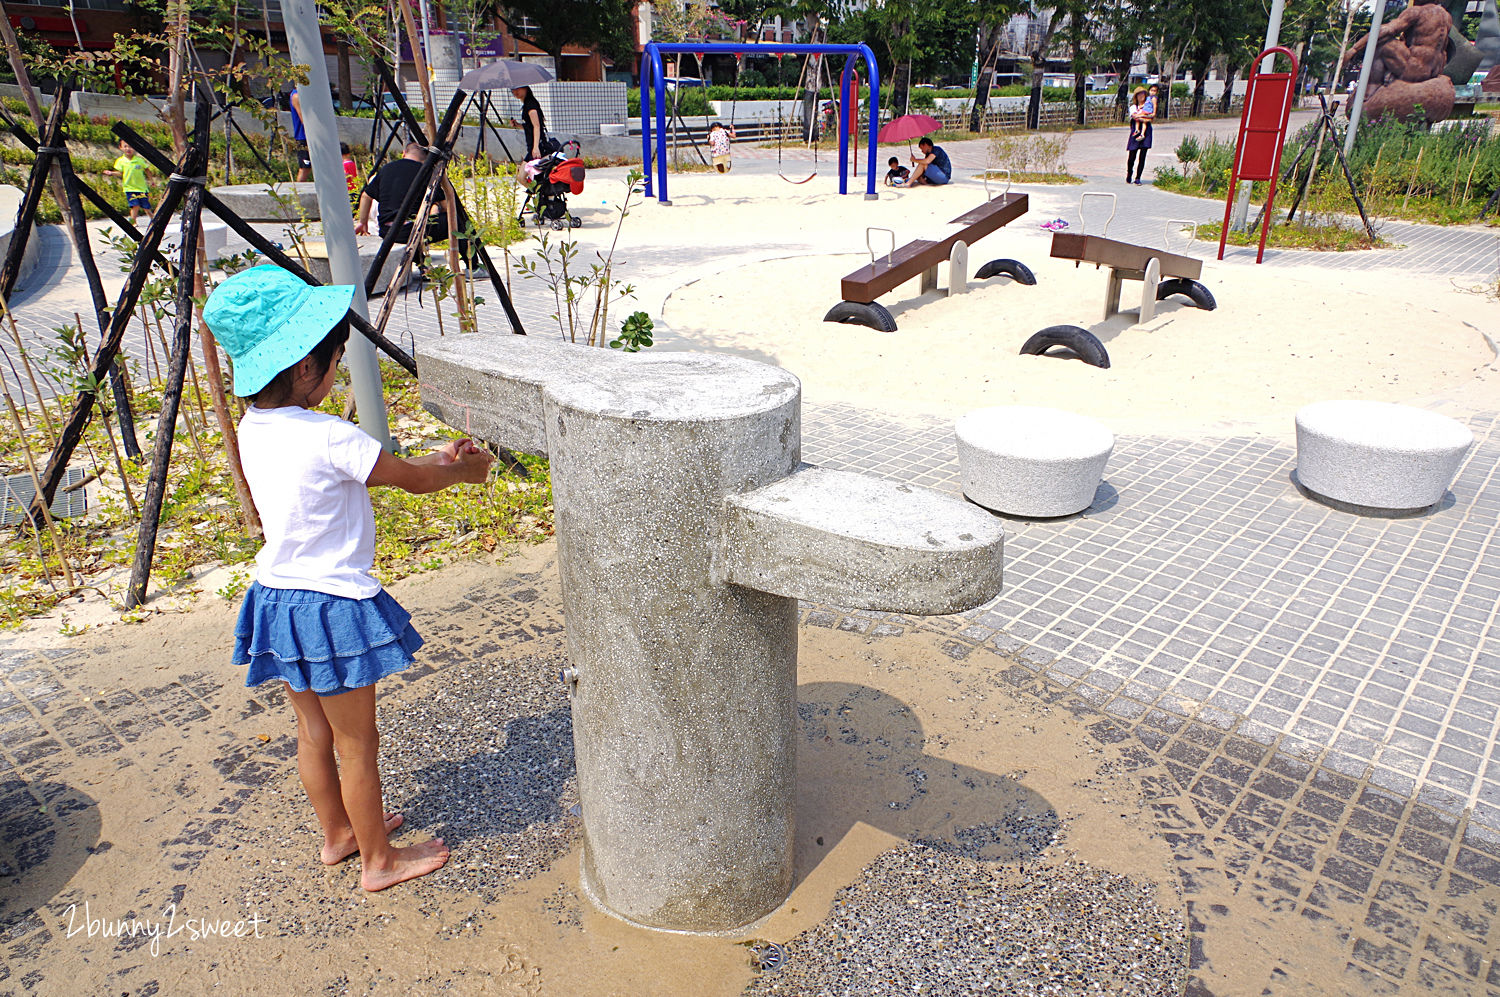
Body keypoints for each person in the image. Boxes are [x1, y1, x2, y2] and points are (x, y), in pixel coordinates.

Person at [202, 264, 493, 892]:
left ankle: (338, 834)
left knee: (312, 730)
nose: (337, 370)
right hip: (330, 605)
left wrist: (435, 462)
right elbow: (411, 478)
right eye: (335, 358)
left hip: (276, 598)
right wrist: (458, 469)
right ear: (308, 368)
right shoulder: (330, 435)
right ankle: (378, 861)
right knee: (358, 744)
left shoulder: (254, 427)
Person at [354, 143, 471, 261]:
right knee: (458, 221)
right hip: (413, 229)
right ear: (425, 158)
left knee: (415, 223)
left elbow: (365, 196)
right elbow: (448, 206)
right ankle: (474, 265)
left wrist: (362, 222)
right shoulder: (426, 172)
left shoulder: (386, 168)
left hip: (387, 230)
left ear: (404, 153)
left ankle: (422, 265)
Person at [105, 138, 152, 222]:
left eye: (130, 146)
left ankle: (154, 220)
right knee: (135, 205)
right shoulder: (120, 161)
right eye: (125, 146)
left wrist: (151, 181)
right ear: (121, 147)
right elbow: (120, 173)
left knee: (146, 206)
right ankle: (133, 222)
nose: (128, 149)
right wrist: (111, 173)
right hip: (129, 188)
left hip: (142, 188)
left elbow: (147, 170)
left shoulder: (139, 160)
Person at [512, 85, 548, 162]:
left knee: (528, 172)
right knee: (524, 173)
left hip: (537, 147)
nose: (515, 92)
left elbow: (537, 126)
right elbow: (530, 127)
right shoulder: (527, 104)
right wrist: (518, 125)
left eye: (517, 88)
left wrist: (536, 147)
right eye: (513, 90)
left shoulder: (530, 105)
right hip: (533, 147)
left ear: (525, 88)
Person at [1126, 87, 1154, 185]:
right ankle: (1129, 173)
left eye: (1143, 94)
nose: (1141, 96)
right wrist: (1144, 117)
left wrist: (1142, 117)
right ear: (1136, 96)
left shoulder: (1148, 106)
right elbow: (1134, 116)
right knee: (1131, 155)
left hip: (1146, 133)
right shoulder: (1133, 107)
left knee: (1142, 156)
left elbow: (1151, 118)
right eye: (1139, 94)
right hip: (1135, 132)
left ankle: (1138, 177)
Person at [290, 87, 311, 182]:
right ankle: (299, 193)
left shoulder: (307, 95)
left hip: (312, 136)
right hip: (303, 137)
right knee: (305, 168)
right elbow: (304, 119)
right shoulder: (296, 96)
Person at [341, 143, 359, 208]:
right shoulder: (352, 163)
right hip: (355, 188)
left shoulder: (343, 165)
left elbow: (345, 177)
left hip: (348, 190)